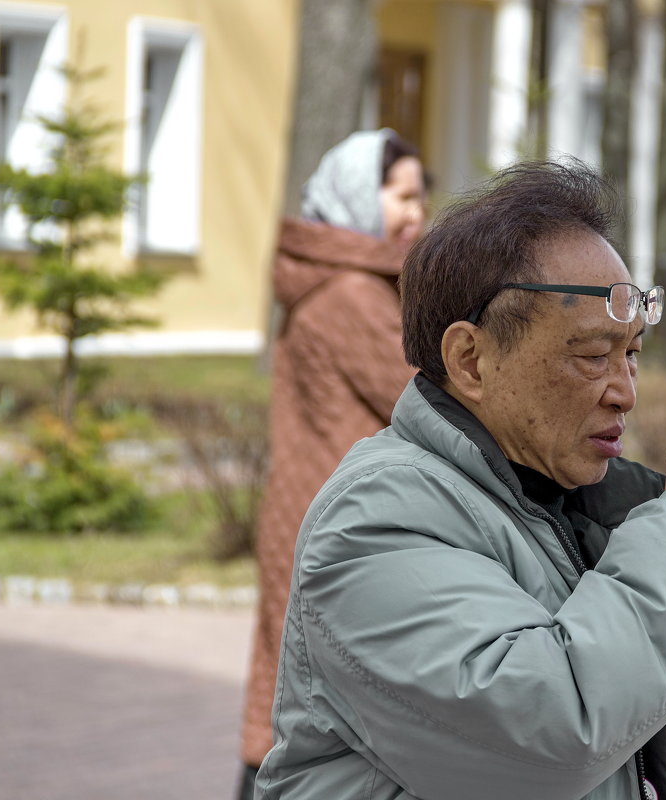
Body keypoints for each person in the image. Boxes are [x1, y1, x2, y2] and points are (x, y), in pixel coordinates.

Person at [253, 160, 666, 799]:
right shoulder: (376, 518)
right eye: (593, 356)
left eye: (633, 355)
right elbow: (554, 735)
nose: (626, 393)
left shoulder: (604, 504)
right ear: (471, 360)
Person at [237, 129, 428, 799]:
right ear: (357, 195)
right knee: (308, 722)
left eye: (420, 198)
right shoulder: (351, 293)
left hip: (305, 515)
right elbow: (426, 396)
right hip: (333, 530)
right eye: (402, 196)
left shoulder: (344, 281)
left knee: (285, 701)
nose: (416, 214)